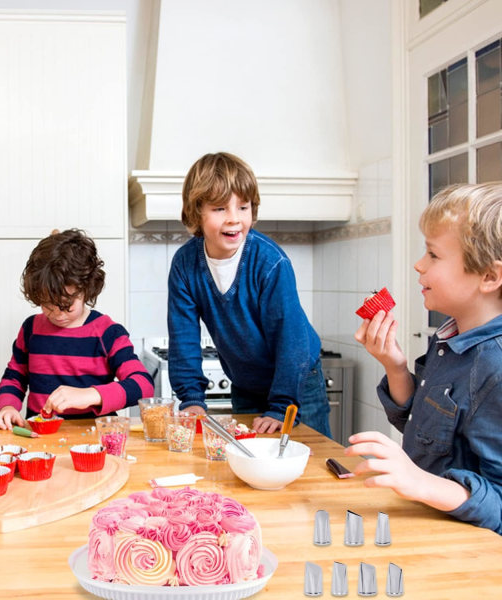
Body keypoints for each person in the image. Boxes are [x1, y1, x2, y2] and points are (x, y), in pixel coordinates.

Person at [347, 182, 502, 534]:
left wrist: (419, 481)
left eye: (433, 255)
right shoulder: (450, 338)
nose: (419, 265)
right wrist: (395, 366)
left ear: (490, 276)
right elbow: (427, 430)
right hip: (425, 528)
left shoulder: (496, 365)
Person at [167, 152, 331, 435]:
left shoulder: (270, 262)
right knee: (247, 459)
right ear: (196, 212)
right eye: (220, 209)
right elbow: (183, 338)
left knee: (309, 461)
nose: (234, 219)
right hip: (245, 384)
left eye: (243, 207)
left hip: (298, 382)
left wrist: (281, 405)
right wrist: (191, 398)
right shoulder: (184, 265)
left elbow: (291, 339)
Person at [0, 229, 154, 429]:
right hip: (41, 439)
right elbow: (14, 378)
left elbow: (144, 386)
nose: (58, 314)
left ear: (87, 289)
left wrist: (91, 395)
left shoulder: (107, 332)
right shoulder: (31, 329)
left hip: (95, 440)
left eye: (66, 306)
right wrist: (7, 407)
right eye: (47, 306)